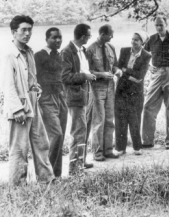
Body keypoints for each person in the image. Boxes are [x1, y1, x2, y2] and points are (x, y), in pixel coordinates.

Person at [0, 15, 54, 185]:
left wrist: (36, 87)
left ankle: (47, 180)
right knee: (19, 148)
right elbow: (8, 85)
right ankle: (17, 186)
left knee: (41, 142)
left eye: (29, 30)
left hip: (32, 104)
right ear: (14, 32)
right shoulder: (9, 54)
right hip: (19, 107)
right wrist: (17, 109)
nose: (27, 33)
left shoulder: (28, 51)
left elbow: (30, 78)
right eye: (23, 30)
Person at [142, 16, 169, 149]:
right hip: (156, 74)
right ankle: (147, 141)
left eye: (161, 25)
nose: (159, 28)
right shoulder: (151, 39)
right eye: (157, 25)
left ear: (166, 24)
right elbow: (143, 54)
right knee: (148, 106)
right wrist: (149, 66)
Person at [61, 23, 96, 175]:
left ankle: (80, 161)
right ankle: (74, 169)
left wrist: (89, 75)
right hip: (75, 97)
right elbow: (65, 76)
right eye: (89, 35)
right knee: (78, 131)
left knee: (84, 129)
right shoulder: (67, 52)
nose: (90, 38)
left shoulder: (83, 50)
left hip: (85, 94)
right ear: (83, 37)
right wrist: (85, 76)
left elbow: (84, 69)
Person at [34, 27, 68, 178]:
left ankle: (57, 174)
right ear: (46, 39)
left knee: (60, 137)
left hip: (61, 97)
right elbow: (35, 79)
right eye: (54, 38)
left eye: (60, 37)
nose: (58, 40)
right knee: (56, 135)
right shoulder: (38, 56)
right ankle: (48, 174)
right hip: (47, 99)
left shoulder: (61, 55)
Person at [86, 24, 122, 161]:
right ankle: (97, 152)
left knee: (109, 120)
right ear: (102, 34)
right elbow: (87, 71)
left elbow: (116, 65)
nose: (112, 36)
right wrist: (101, 74)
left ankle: (108, 150)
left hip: (110, 88)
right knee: (98, 121)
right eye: (110, 34)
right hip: (96, 89)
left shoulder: (111, 47)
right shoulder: (90, 49)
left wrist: (118, 71)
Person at [114, 31, 151, 156]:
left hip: (135, 92)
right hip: (121, 90)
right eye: (132, 39)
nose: (133, 42)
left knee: (135, 118)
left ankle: (137, 147)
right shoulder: (124, 51)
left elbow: (140, 76)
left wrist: (124, 72)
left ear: (143, 42)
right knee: (120, 119)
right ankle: (120, 148)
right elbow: (118, 67)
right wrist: (129, 73)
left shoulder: (146, 55)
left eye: (137, 40)